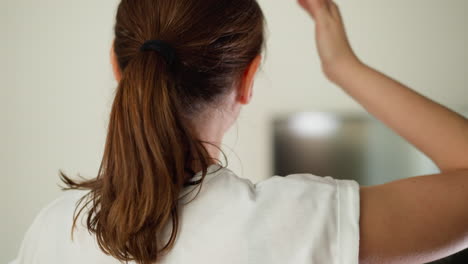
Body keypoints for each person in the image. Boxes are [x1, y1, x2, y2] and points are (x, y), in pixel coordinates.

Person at [9, 0, 468, 263]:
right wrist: (342, 66)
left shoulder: (51, 230)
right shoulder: (299, 222)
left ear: (117, 65)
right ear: (247, 80)